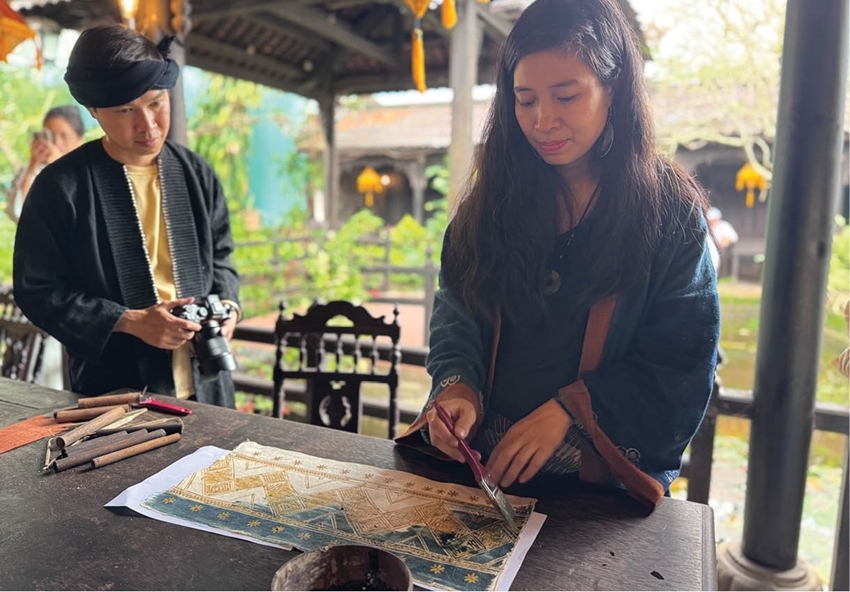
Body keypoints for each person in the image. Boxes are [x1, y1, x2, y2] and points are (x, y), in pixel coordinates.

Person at [396, 0, 720, 508]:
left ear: (613, 88)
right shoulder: (494, 199)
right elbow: (458, 306)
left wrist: (571, 410)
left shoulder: (668, 211)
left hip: (595, 478)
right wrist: (457, 389)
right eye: (525, 100)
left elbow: (683, 356)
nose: (543, 121)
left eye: (567, 96)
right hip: (481, 464)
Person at [13, 24, 241, 407]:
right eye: (125, 110)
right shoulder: (61, 186)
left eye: (156, 103)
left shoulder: (197, 174)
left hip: (210, 386)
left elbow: (222, 258)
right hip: (113, 395)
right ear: (94, 110)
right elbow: (37, 291)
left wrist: (229, 306)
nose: (147, 125)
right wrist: (128, 321)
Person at [5, 105, 85, 224]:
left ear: (79, 140)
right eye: (51, 135)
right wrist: (32, 167)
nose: (57, 142)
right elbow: (17, 213)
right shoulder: (32, 170)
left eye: (63, 136)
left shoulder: (87, 171)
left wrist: (59, 167)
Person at [707, 206, 739, 275]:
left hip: (722, 249)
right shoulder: (708, 227)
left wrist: (722, 243)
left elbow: (733, 238)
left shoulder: (724, 225)